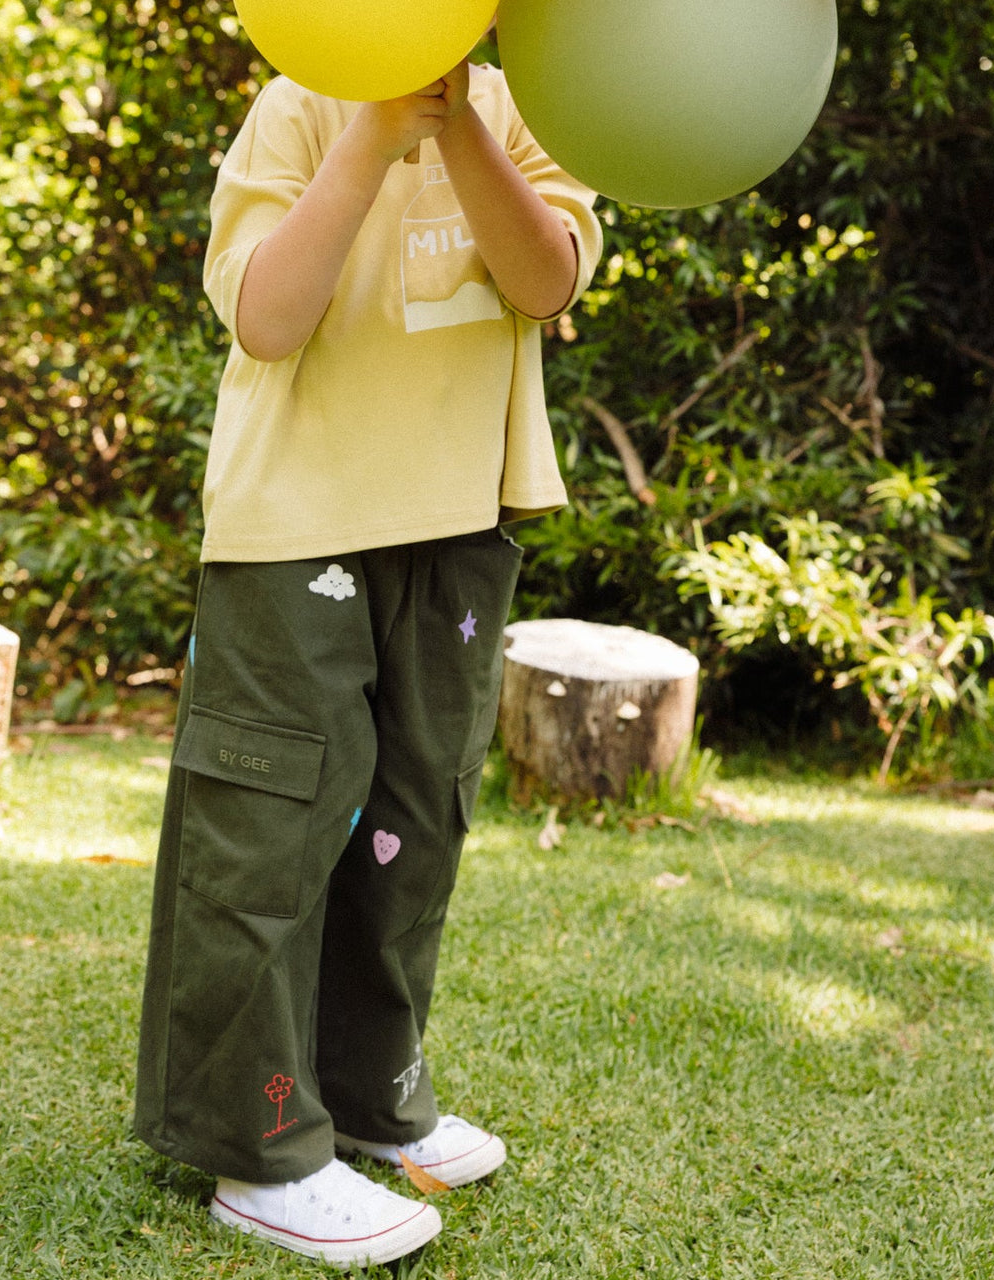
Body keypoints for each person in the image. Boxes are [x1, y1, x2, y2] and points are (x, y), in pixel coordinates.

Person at [133, 50, 602, 1268]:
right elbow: (266, 316)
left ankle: (373, 1093)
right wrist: (370, 130)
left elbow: (546, 278)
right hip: (296, 528)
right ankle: (265, 1148)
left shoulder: (524, 107)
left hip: (454, 524)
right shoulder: (294, 105)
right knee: (270, 830)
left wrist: (453, 133)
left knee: (413, 822)